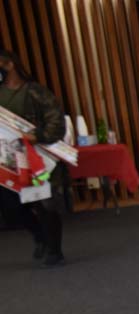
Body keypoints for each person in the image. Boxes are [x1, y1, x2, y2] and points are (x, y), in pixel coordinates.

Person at [0, 47, 67, 267]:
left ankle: (54, 250)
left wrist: (36, 136)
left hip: (38, 158)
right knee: (11, 206)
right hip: (8, 161)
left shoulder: (36, 92)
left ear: (9, 64)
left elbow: (57, 124)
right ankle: (40, 236)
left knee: (46, 204)